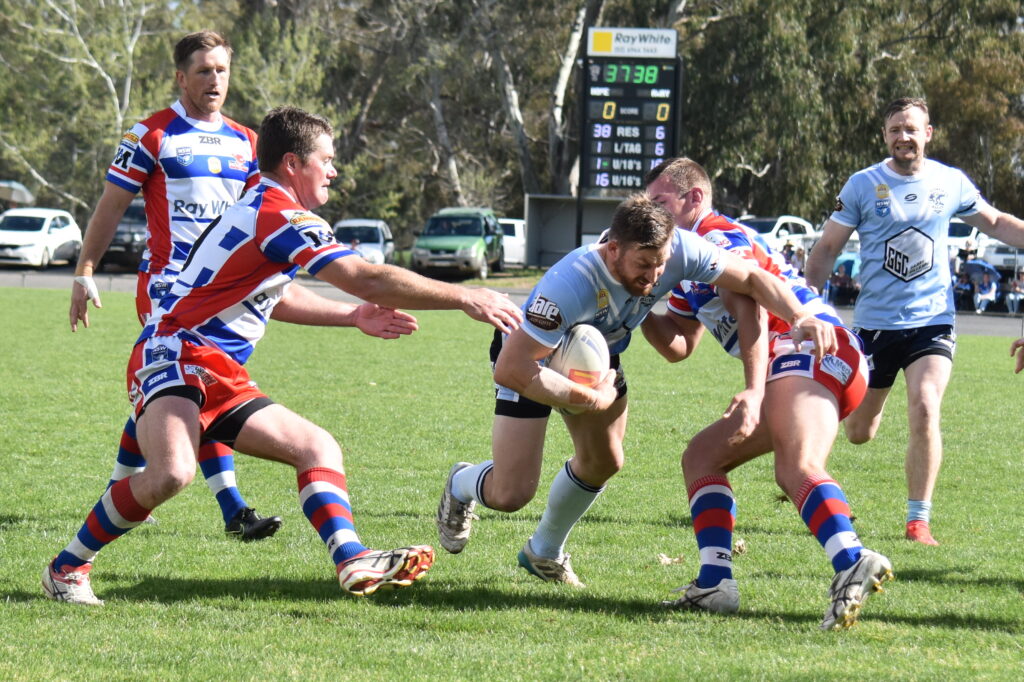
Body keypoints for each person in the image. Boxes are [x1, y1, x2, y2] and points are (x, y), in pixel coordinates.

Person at [41, 106, 523, 606]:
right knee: (173, 473)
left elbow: (277, 296)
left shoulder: (262, 206)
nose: (334, 171)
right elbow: (367, 277)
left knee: (318, 448)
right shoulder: (279, 212)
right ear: (293, 163)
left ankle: (352, 557)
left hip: (213, 366)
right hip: (175, 348)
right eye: (327, 159)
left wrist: (351, 317)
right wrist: (467, 296)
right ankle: (66, 569)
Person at [435, 192, 837, 590]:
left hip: (598, 352)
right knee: (511, 493)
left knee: (604, 461)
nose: (654, 276)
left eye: (661, 264)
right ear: (612, 250)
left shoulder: (678, 249)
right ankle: (461, 483)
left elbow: (752, 278)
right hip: (530, 357)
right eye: (644, 264)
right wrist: (587, 399)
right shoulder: (570, 284)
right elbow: (511, 369)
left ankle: (544, 551)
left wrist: (800, 314)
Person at [642, 157, 891, 631]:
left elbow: (752, 305)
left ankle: (851, 560)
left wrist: (753, 390)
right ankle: (715, 583)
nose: (651, 214)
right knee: (701, 457)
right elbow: (679, 344)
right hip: (806, 357)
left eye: (660, 203)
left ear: (694, 199)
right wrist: (635, 308)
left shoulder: (713, 237)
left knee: (795, 466)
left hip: (812, 346)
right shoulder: (684, 258)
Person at [66, 31, 281, 540]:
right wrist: (85, 271)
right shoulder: (150, 136)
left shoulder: (248, 142)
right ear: (180, 77)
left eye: (222, 70)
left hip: (227, 293)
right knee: (201, 385)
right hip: (167, 289)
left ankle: (120, 486)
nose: (214, 80)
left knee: (172, 394)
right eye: (203, 71)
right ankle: (233, 508)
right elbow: (110, 207)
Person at [805, 97, 1024, 546]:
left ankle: (917, 521)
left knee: (925, 406)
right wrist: (808, 307)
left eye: (911, 128)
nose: (903, 137)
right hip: (875, 327)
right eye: (894, 130)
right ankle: (839, 457)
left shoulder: (950, 181)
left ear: (928, 133)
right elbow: (827, 249)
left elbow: (997, 222)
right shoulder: (863, 185)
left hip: (933, 323)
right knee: (859, 433)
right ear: (886, 136)